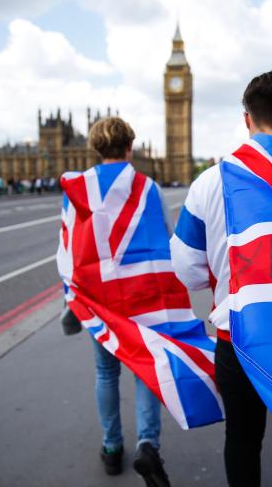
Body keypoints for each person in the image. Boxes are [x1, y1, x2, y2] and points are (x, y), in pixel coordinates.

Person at [170, 70, 272, 487]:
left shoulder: (209, 182)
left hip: (238, 337)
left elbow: (185, 268)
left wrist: (223, 274)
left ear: (247, 119)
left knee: (242, 440)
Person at [56, 117, 171, 486]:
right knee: (144, 371)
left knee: (106, 373)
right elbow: (165, 239)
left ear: (96, 149)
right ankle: (148, 444)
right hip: (141, 298)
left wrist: (69, 299)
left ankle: (111, 448)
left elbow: (68, 247)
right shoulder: (148, 187)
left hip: (98, 300)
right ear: (129, 147)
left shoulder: (78, 187)